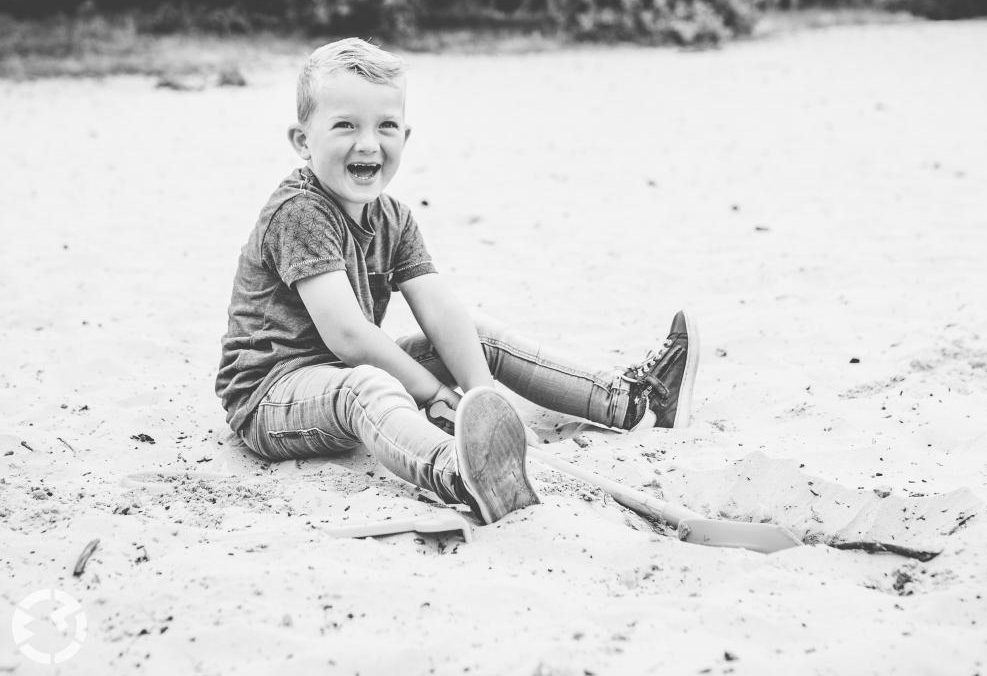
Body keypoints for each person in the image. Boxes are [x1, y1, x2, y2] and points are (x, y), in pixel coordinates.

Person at [215, 38, 699, 524]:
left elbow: (441, 310)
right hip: (271, 395)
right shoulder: (300, 211)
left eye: (385, 126)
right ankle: (462, 473)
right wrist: (431, 393)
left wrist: (481, 401)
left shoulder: (394, 219)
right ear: (303, 141)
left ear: (405, 136)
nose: (367, 143)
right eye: (345, 125)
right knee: (364, 386)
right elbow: (348, 337)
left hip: (338, 373)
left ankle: (633, 402)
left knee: (473, 333)